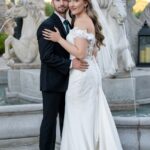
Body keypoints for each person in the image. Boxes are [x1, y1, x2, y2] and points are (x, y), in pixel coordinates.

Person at [43, 0, 123, 149]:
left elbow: (80, 53)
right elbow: (93, 51)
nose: (72, 4)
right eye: (71, 0)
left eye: (76, 1)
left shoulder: (80, 21)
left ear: (86, 3)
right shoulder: (86, 20)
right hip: (88, 70)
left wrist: (59, 39)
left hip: (81, 74)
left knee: (78, 117)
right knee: (87, 115)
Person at [37, 0, 88, 150]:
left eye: (65, 0)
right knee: (49, 123)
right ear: (52, 2)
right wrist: (71, 64)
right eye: (58, 0)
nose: (62, 4)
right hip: (52, 84)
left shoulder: (73, 25)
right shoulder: (46, 25)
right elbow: (46, 56)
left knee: (68, 122)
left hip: (71, 83)